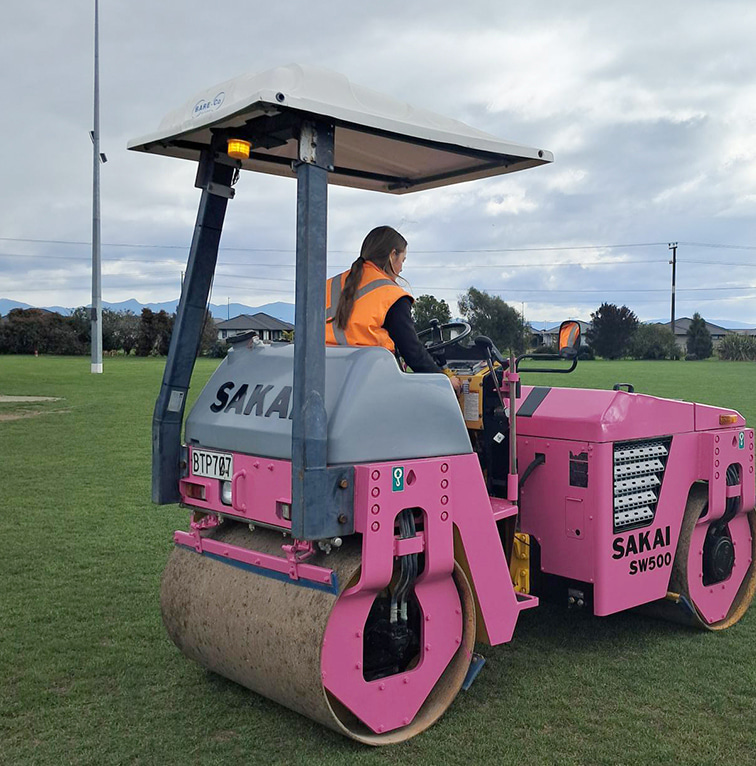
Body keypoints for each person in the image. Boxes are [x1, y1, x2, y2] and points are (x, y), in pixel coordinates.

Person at [326, 226, 461, 393]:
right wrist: (444, 380)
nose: (402, 268)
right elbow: (413, 353)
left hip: (326, 380)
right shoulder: (391, 295)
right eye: (403, 260)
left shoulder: (328, 286)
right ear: (392, 256)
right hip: (370, 385)